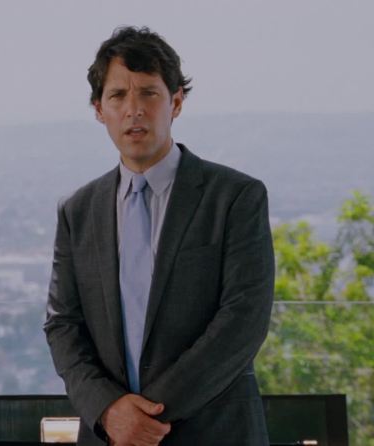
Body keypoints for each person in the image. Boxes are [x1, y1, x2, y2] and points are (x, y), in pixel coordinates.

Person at [44, 26, 274, 445]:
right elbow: (63, 325)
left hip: (214, 432)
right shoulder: (78, 211)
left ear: (176, 102)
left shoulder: (235, 197)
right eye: (118, 95)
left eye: (149, 93)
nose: (134, 109)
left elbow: (243, 320)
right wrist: (110, 411)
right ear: (99, 110)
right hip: (110, 434)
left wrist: (145, 416)